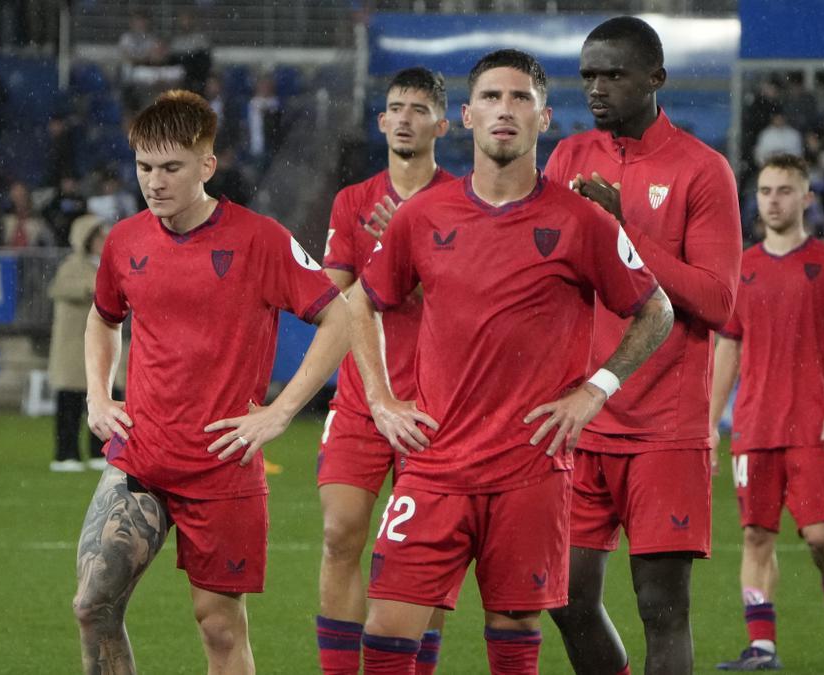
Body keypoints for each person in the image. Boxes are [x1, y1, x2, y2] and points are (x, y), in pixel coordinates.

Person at [348, 49, 674, 675]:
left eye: (520, 98)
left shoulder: (583, 222)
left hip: (531, 470)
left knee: (515, 634)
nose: (505, 110)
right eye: (492, 98)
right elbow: (361, 303)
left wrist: (594, 392)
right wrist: (381, 399)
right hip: (435, 465)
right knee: (385, 632)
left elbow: (655, 309)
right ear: (467, 116)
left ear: (544, 118)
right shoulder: (421, 217)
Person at [74, 90, 349, 674]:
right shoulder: (124, 241)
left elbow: (340, 317)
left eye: (171, 167)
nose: (155, 181)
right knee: (93, 606)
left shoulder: (260, 239)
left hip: (222, 466)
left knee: (220, 629)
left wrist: (280, 411)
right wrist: (99, 394)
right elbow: (102, 317)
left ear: (206, 165)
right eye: (144, 167)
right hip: (141, 458)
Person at [542, 16, 743, 675]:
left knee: (662, 607)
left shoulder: (702, 171)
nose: (596, 88)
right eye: (588, 76)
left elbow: (717, 301)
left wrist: (624, 227)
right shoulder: (569, 156)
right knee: (565, 598)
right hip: (584, 415)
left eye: (613, 74)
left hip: (666, 425)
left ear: (655, 78)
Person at [315, 66, 453, 675]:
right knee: (341, 533)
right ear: (380, 121)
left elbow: (468, 301)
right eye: (395, 107)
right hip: (363, 399)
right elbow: (335, 298)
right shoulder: (353, 202)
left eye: (419, 109)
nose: (404, 118)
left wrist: (410, 251)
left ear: (443, 125)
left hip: (437, 404)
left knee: (425, 555)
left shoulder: (462, 202)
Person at [710, 154, 824, 670]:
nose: (772, 200)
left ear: (806, 198)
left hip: (813, 425)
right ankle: (762, 646)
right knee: (756, 535)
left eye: (784, 191)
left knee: (822, 536)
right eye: (765, 191)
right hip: (754, 428)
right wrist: (708, 423)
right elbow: (728, 350)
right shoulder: (743, 267)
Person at [48, 214, 108, 472]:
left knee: (103, 403)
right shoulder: (72, 265)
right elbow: (58, 289)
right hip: (73, 347)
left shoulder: (104, 265)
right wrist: (94, 287)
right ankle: (65, 454)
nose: (102, 241)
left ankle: (99, 451)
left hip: (97, 347)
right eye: (97, 236)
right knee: (70, 404)